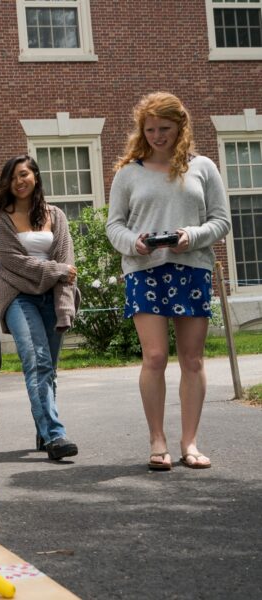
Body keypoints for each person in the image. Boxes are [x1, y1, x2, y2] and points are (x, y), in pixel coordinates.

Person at [106, 92, 230, 471]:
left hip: (191, 268)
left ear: (181, 127)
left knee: (192, 359)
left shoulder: (204, 168)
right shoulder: (129, 173)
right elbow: (114, 225)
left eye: (165, 128)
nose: (158, 136)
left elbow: (221, 221)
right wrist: (135, 243)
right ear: (141, 131)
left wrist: (190, 236)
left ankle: (189, 442)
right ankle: (156, 439)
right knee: (155, 357)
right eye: (150, 129)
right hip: (144, 271)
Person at [0, 155, 79, 460]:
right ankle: (55, 435)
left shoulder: (57, 215)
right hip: (19, 298)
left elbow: (69, 263)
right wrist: (55, 271)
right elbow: (11, 263)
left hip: (53, 298)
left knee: (49, 369)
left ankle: (44, 430)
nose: (19, 181)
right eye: (13, 177)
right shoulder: (0, 219)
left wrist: (65, 305)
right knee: (37, 362)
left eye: (24, 174)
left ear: (36, 177)